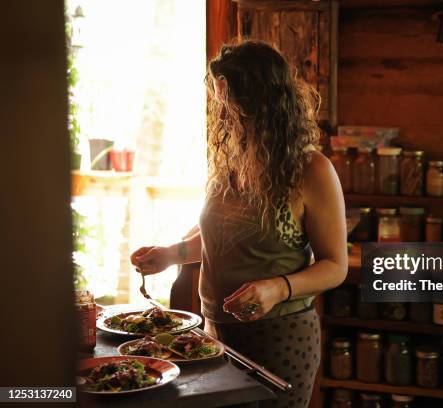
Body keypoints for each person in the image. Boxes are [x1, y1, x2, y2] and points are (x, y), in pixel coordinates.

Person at [130, 40, 348, 408]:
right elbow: (222, 238)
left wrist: (278, 288)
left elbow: (335, 266)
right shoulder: (228, 162)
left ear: (266, 102)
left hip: (282, 338)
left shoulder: (312, 170)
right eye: (219, 101)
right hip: (215, 332)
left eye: (232, 104)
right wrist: (172, 254)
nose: (223, 115)